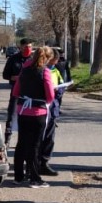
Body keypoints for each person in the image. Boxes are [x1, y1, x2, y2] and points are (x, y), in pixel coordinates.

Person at [12, 45, 56, 188]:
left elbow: (16, 91)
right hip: (38, 113)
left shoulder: (24, 70)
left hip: (23, 111)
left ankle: (18, 176)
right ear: (48, 58)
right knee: (35, 146)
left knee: (21, 144)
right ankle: (35, 178)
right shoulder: (45, 72)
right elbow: (50, 95)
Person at [2, 37, 33, 145]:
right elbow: (5, 75)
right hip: (16, 91)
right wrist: (13, 77)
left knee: (28, 118)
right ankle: (7, 141)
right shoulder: (13, 59)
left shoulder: (34, 59)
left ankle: (24, 140)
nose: (28, 49)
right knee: (11, 115)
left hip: (30, 93)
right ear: (20, 47)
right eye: (25, 47)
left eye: (30, 47)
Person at [38, 47, 64, 175]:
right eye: (52, 62)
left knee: (49, 138)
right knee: (38, 138)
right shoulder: (40, 71)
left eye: (55, 62)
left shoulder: (57, 71)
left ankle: (44, 162)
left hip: (53, 108)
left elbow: (61, 85)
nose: (54, 64)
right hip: (41, 108)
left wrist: (59, 90)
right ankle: (34, 164)